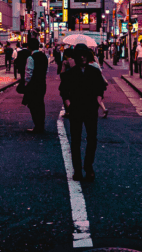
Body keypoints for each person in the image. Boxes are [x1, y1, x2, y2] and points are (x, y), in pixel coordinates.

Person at [59, 46, 108, 181]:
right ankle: (77, 170)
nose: (82, 57)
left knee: (92, 139)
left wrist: (98, 100)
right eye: (79, 55)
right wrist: (69, 105)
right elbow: (63, 90)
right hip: (76, 109)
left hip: (91, 109)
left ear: (88, 56)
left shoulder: (94, 72)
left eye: (84, 55)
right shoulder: (71, 73)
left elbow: (100, 88)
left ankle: (88, 166)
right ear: (75, 57)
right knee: (75, 140)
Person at [21, 38, 49, 133]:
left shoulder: (31, 58)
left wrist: (26, 84)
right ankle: (41, 124)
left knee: (33, 105)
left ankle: (37, 126)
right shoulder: (44, 56)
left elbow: (29, 72)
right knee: (40, 104)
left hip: (33, 85)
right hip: (42, 83)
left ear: (29, 47)